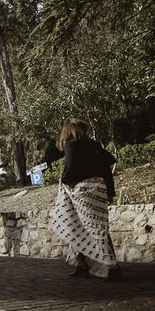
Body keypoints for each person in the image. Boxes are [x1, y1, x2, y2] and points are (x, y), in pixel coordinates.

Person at [50, 119, 121, 280]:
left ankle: (110, 266)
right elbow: (106, 169)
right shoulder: (94, 145)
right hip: (99, 187)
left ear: (68, 132)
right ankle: (84, 263)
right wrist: (110, 192)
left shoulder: (71, 146)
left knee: (75, 224)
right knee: (98, 226)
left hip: (82, 190)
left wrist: (64, 179)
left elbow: (70, 167)